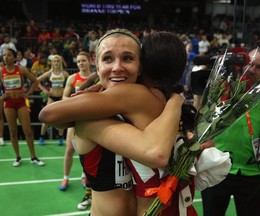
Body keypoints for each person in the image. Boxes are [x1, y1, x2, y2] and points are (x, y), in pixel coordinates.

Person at [39, 29, 196, 216]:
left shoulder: (145, 103)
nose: (117, 67)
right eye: (107, 59)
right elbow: (48, 115)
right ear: (96, 66)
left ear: (141, 67)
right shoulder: (95, 116)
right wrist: (176, 100)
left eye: (128, 58)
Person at [201, 44, 260, 216]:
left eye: (259, 67)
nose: (251, 69)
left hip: (254, 173)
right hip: (215, 169)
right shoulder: (221, 91)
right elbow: (199, 122)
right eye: (249, 63)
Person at [0, 48, 44, 167]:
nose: (6, 57)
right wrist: (2, 95)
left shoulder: (21, 69)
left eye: (8, 55)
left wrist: (28, 93)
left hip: (20, 102)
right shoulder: (1, 71)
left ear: (14, 57)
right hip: (8, 104)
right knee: (13, 131)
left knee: (28, 131)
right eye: (4, 55)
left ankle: (33, 157)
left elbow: (35, 81)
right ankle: (18, 157)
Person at [58, 51, 92, 192]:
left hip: (89, 119)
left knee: (87, 151)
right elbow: (64, 98)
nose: (81, 63)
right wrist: (77, 101)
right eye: (78, 61)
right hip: (74, 119)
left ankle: (84, 175)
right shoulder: (72, 78)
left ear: (90, 61)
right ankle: (66, 177)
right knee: (69, 149)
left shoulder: (95, 77)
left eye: (83, 60)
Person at [37, 54, 69, 145]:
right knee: (46, 118)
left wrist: (67, 90)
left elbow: (71, 82)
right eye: (54, 61)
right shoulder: (49, 73)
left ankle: (60, 138)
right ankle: (42, 137)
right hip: (51, 97)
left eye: (58, 61)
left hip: (61, 98)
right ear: (52, 63)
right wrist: (44, 90)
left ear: (60, 62)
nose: (56, 63)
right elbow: (37, 80)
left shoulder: (65, 73)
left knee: (61, 118)